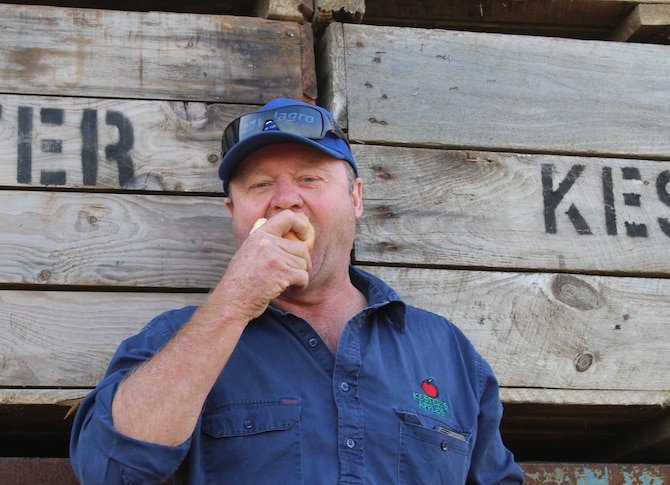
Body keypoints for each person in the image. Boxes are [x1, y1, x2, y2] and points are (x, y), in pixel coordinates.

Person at [69, 98, 524, 484]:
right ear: (234, 211)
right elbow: (108, 469)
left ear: (356, 198)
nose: (286, 199)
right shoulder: (176, 339)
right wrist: (234, 302)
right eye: (261, 184)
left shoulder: (447, 352)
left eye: (310, 178)